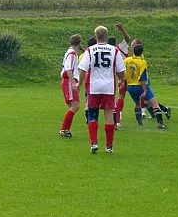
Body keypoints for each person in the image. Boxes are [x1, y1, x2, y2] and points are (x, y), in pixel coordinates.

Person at [77, 26, 126, 154]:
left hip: (94, 86)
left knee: (92, 114)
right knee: (109, 116)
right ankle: (109, 146)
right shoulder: (114, 50)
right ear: (107, 36)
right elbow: (121, 70)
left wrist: (80, 83)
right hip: (109, 87)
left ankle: (93, 143)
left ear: (95, 36)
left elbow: (83, 69)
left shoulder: (90, 50)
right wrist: (121, 80)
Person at [123, 43, 168, 129]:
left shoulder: (127, 60)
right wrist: (145, 90)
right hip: (139, 86)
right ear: (142, 52)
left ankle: (140, 124)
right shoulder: (142, 62)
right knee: (154, 103)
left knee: (137, 104)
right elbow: (142, 77)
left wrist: (122, 82)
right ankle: (160, 123)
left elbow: (122, 71)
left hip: (130, 86)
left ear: (133, 51)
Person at [58, 34, 82, 138]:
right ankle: (64, 129)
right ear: (79, 43)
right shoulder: (72, 54)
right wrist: (73, 82)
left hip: (67, 81)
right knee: (75, 106)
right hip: (68, 81)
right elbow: (68, 69)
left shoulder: (70, 52)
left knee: (72, 106)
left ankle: (66, 129)